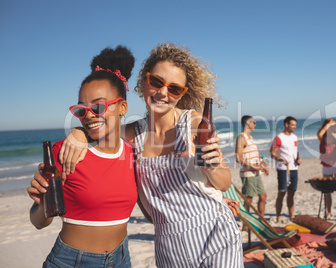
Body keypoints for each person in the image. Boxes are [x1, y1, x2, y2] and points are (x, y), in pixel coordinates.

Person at [58, 43, 243, 267]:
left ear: (183, 93)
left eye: (174, 89)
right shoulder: (130, 134)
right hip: (168, 245)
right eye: (156, 81)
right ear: (144, 81)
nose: (162, 92)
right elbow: (98, 128)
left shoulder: (193, 123)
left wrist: (212, 167)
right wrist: (78, 133)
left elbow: (224, 183)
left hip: (216, 233)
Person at [27, 46, 137, 267]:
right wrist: (41, 205)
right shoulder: (65, 152)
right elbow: (39, 222)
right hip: (72, 261)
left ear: (122, 106)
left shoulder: (133, 154)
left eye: (98, 106)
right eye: (81, 110)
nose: (88, 115)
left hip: (122, 259)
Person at [235, 115, 269, 224]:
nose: (255, 124)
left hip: (256, 173)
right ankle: (246, 224)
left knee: (263, 196)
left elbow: (255, 155)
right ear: (247, 123)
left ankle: (261, 221)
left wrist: (262, 166)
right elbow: (238, 157)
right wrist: (253, 166)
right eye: (253, 122)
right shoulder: (241, 138)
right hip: (247, 173)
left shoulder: (251, 139)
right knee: (249, 199)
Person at [270, 116, 302, 222]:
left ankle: (291, 215)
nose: (295, 127)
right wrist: (280, 158)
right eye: (293, 125)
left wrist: (298, 159)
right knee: (282, 193)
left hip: (294, 168)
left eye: (295, 125)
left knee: (292, 193)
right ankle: (278, 216)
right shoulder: (279, 138)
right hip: (283, 169)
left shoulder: (294, 137)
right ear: (286, 125)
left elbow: (295, 151)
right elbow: (272, 153)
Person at [317, 118, 336, 219]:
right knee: (327, 190)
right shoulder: (322, 137)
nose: (333, 127)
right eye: (331, 125)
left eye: (334, 125)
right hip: (326, 164)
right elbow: (320, 133)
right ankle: (329, 212)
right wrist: (329, 124)